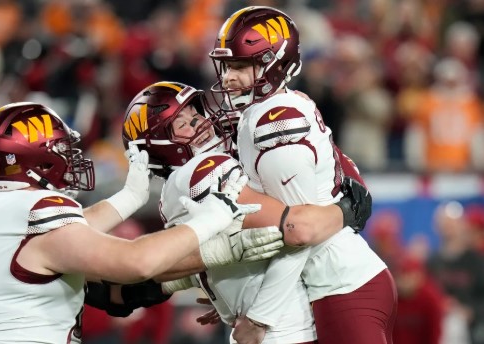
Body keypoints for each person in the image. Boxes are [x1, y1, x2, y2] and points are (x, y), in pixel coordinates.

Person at [0, 102, 273, 343]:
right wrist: (214, 220)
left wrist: (127, 199)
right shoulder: (36, 211)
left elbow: (69, 236)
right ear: (35, 159)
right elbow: (136, 263)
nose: (69, 158)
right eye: (59, 149)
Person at [119, 81, 372, 344]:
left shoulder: (175, 190)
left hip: (272, 325)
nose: (200, 123)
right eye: (182, 124)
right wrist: (344, 209)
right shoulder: (204, 171)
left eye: (195, 115)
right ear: (158, 145)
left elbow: (216, 256)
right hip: (279, 328)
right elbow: (295, 230)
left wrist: (224, 290)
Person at [208, 6, 396, 344]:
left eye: (240, 65)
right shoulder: (271, 110)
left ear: (275, 64)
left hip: (341, 284)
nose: (227, 78)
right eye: (226, 65)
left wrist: (260, 315)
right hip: (327, 284)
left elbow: (298, 233)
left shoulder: (276, 123)